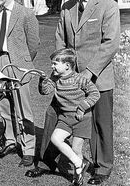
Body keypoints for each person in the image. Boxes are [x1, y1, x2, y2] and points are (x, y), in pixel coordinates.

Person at [26, 0, 120, 185]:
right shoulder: (67, 7)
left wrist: (88, 72)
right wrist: (62, 66)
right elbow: (60, 37)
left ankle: (102, 167)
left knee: (99, 123)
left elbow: (110, 43)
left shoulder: (108, 6)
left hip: (97, 77)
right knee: (54, 114)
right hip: (68, 77)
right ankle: (49, 160)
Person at [0, 0, 40, 167]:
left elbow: (33, 43)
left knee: (23, 108)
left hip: (17, 63)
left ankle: (28, 149)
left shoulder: (25, 13)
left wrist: (23, 62)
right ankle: (10, 141)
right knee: (4, 106)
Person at [39, 48, 100, 186]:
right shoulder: (55, 78)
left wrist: (82, 107)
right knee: (55, 138)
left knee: (76, 149)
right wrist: (43, 80)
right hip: (65, 118)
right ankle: (80, 163)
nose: (52, 66)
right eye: (52, 63)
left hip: (81, 119)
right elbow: (45, 91)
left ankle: (77, 177)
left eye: (55, 63)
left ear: (67, 65)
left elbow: (95, 94)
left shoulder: (79, 79)